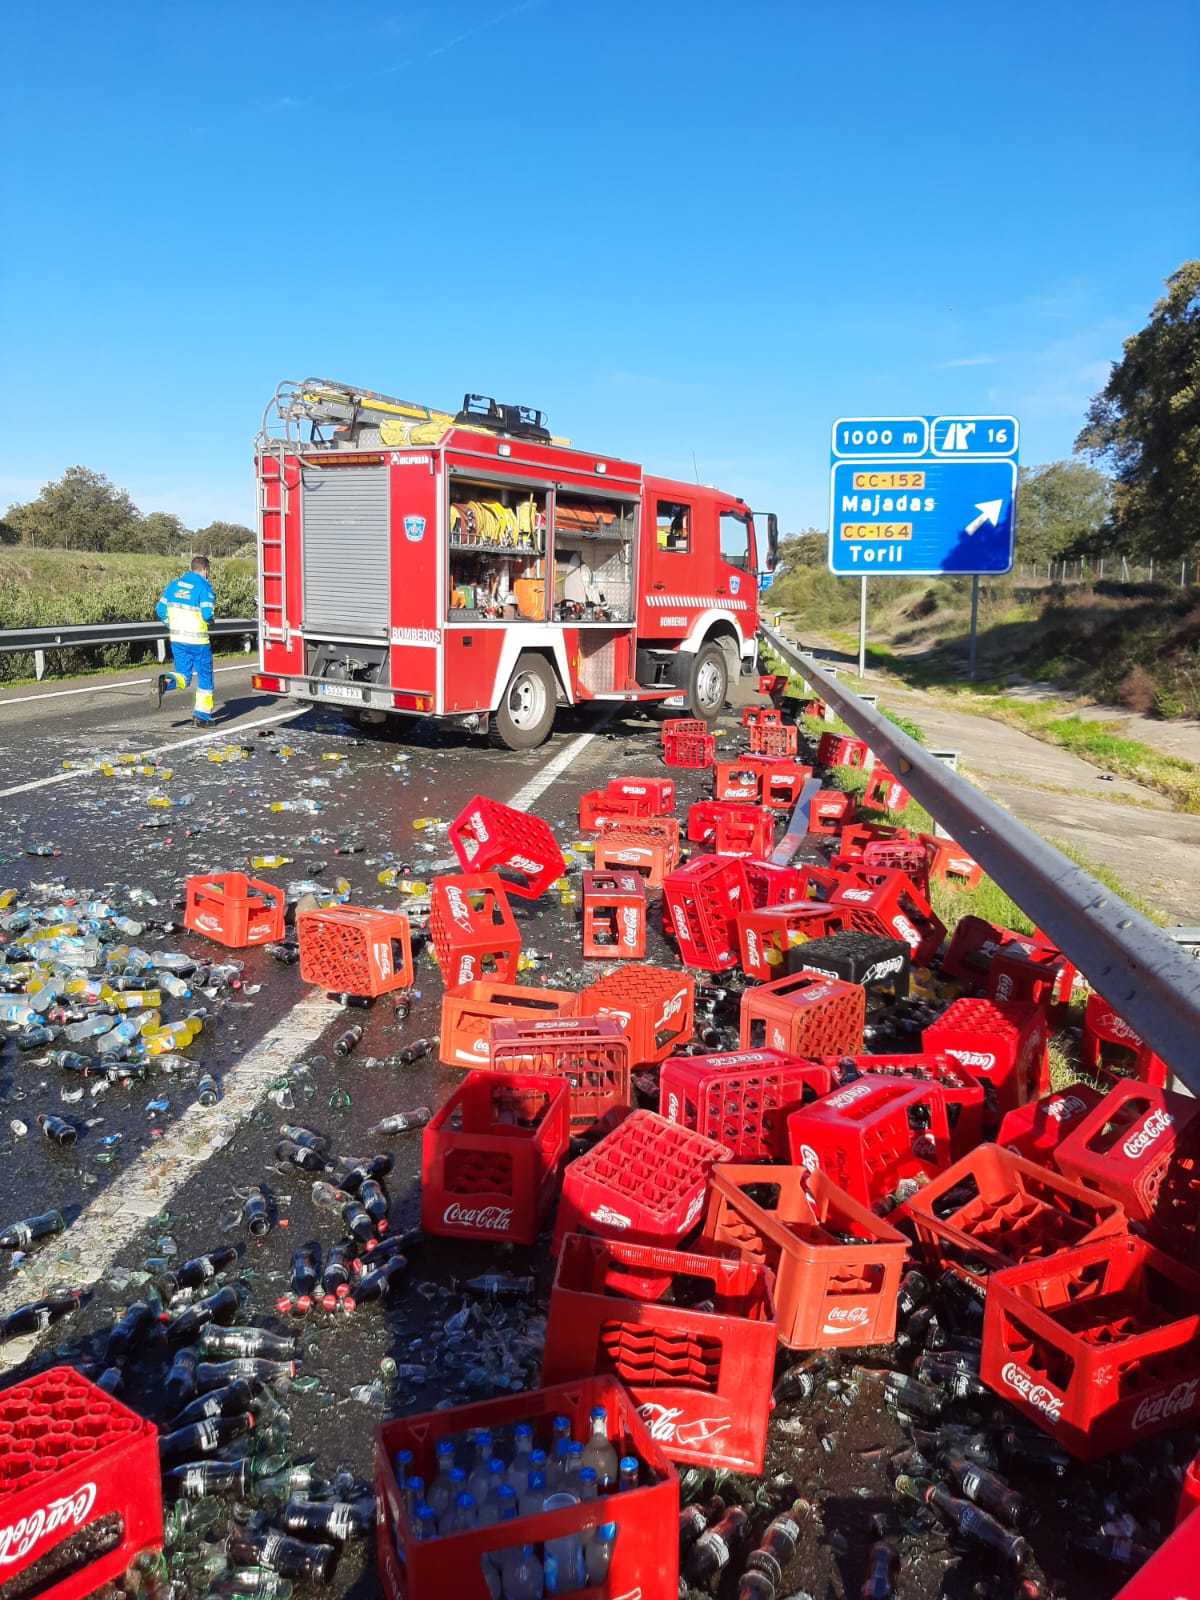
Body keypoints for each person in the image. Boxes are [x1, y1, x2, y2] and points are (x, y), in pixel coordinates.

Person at [154, 555, 217, 725]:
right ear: (205, 570)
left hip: (177, 639)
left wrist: (171, 624)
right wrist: (211, 620)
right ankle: (201, 718)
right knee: (205, 678)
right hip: (198, 642)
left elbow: (160, 610)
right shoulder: (204, 588)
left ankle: (165, 682)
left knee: (183, 676)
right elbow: (206, 614)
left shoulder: (174, 586)